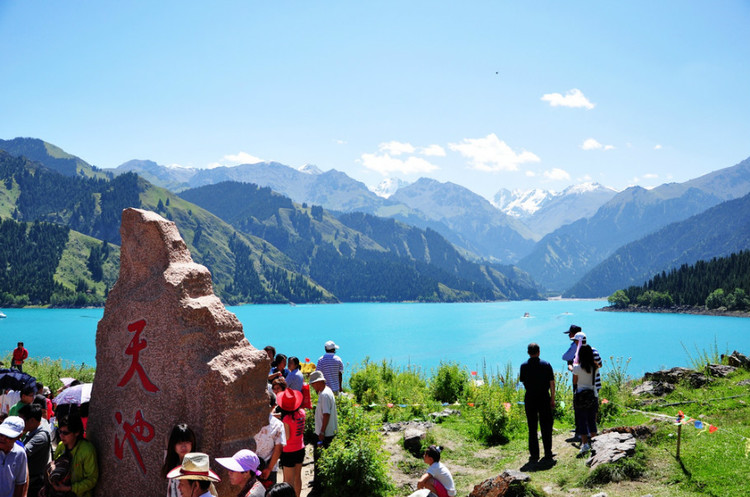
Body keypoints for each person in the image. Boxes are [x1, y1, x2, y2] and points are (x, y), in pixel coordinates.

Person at [519, 342, 555, 462]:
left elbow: (523, 382)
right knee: (546, 426)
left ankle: (534, 454)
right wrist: (552, 398)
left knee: (532, 426)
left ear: (528, 352)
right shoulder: (546, 364)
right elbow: (551, 383)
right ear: (539, 352)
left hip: (530, 397)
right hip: (544, 397)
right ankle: (548, 453)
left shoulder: (523, 366)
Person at [52, 414, 98, 497]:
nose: (61, 436)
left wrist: (70, 488)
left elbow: (92, 479)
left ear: (77, 432)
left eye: (65, 433)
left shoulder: (87, 450)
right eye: (60, 431)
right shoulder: (60, 445)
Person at [309, 370, 337, 489]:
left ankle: (320, 484)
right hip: (326, 431)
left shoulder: (325, 394)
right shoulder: (325, 391)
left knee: (320, 457)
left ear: (319, 382)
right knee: (320, 457)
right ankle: (319, 482)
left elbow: (326, 414)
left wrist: (322, 431)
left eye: (314, 384)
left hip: (325, 432)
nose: (313, 386)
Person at [571, 344, 599, 454]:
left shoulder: (577, 368)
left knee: (582, 421)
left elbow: (574, 381)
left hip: (580, 396)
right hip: (593, 395)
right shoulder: (595, 367)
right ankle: (595, 443)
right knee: (592, 420)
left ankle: (585, 444)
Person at [276, 389, 305, 497]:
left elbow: (286, 437)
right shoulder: (302, 413)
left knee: (288, 482)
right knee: (298, 477)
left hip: (288, 452)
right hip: (300, 448)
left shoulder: (286, 419)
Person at [254, 391, 286, 486]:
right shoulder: (278, 424)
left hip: (249, 467)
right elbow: (279, 448)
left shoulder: (249, 423)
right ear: (274, 406)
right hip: (269, 468)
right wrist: (269, 468)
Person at [19, 403, 51, 497]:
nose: (20, 424)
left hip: (34, 483)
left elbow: (22, 452)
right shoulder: (34, 429)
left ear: (32, 421)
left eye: (22, 421)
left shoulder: (41, 436)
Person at [562, 327, 602, 394]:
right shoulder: (595, 351)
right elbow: (599, 365)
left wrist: (570, 366)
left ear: (578, 341)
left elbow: (576, 371)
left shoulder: (578, 353)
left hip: (580, 388)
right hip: (595, 384)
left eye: (575, 341)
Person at [162, 424, 198, 497]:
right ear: (173, 445)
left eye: (187, 442)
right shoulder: (172, 463)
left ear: (192, 443)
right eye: (179, 443)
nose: (183, 446)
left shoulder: (198, 466)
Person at [0, 416, 28, 497]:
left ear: (19, 436)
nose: (3, 438)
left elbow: (20, 483)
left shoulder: (20, 453)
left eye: (8, 436)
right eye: (1, 435)